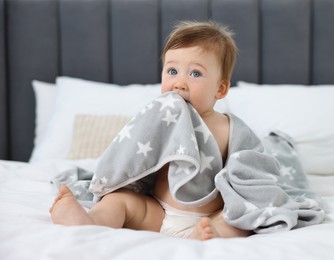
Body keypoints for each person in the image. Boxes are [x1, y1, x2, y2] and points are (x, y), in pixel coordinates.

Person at [50, 21, 252, 240]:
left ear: (220, 88)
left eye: (195, 73)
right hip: (157, 212)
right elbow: (134, 157)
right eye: (172, 71)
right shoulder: (160, 118)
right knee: (119, 200)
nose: (179, 83)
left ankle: (212, 232)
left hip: (207, 215)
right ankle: (92, 221)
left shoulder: (230, 128)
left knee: (239, 218)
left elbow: (248, 174)